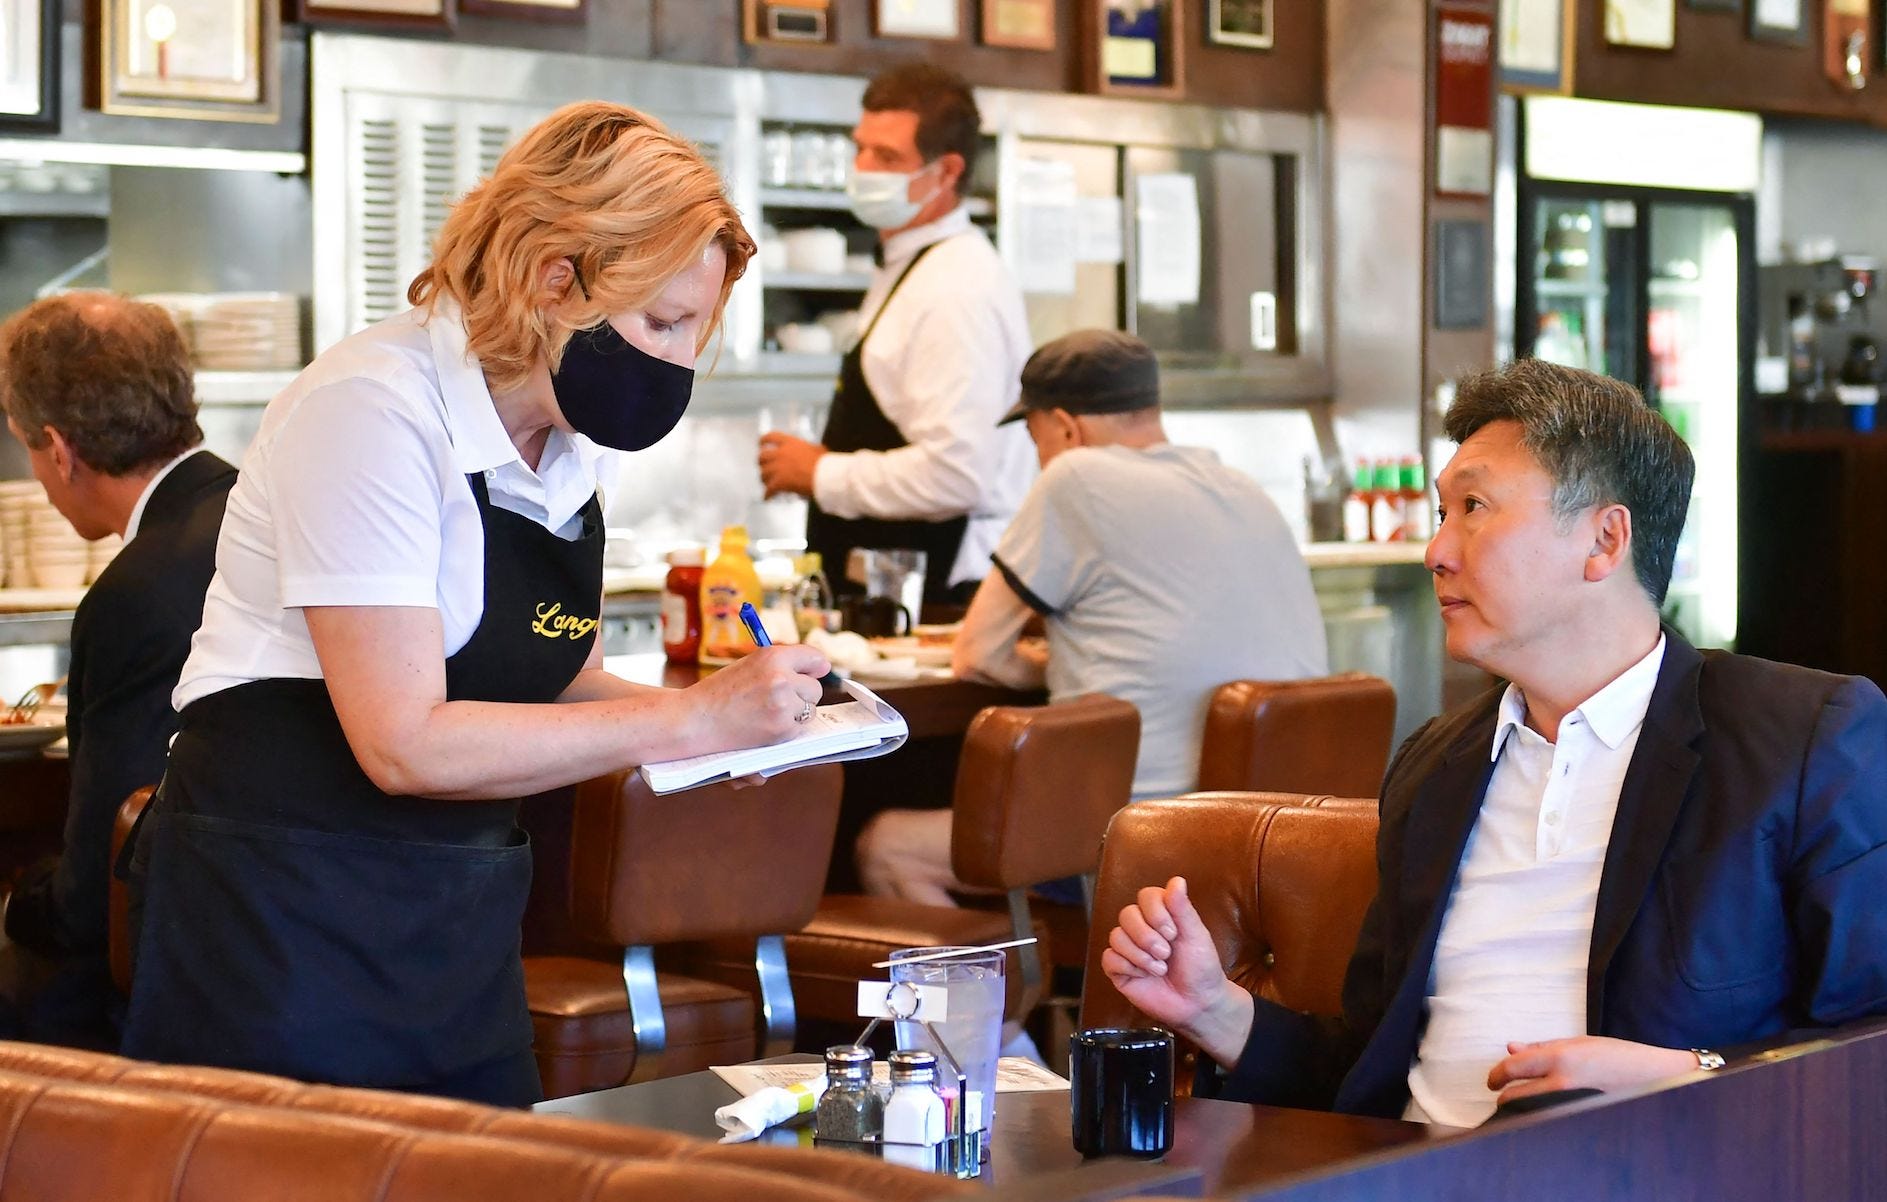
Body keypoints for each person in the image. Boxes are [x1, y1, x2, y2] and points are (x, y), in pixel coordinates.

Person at [120, 102, 831, 1107]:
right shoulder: (371, 409)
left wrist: (726, 737)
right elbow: (402, 740)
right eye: (661, 322)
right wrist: (686, 717)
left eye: (692, 333)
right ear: (554, 278)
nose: (674, 362)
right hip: (283, 916)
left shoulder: (566, 442)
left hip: (454, 919)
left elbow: (558, 672)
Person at [1103, 359, 1887, 1127]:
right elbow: (1369, 1062)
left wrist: (1689, 1077)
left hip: (1650, 1175)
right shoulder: (1437, 765)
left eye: (1473, 507)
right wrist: (1214, 1009)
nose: (1435, 550)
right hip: (1409, 1174)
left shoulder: (1804, 739)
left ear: (1605, 540)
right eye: (1442, 513)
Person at [856, 330, 1328, 906]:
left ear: (1065, 427)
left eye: (1034, 440)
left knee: (886, 847)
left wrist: (1041, 666)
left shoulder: (1077, 476)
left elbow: (976, 653)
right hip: (1276, 847)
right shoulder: (1242, 487)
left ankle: (991, 995)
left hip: (1144, 841)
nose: (1040, 459)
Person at [0, 293, 236, 1047]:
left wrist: (10, 906)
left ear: (59, 448)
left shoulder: (134, 592)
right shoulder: (255, 505)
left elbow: (93, 894)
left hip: (198, 963)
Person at [757, 63, 1033, 610]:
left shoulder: (957, 289)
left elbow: (957, 475)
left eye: (886, 158)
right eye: (860, 150)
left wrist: (820, 472)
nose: (861, 169)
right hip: (895, 583)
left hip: (940, 591)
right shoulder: (914, 264)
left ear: (946, 171)